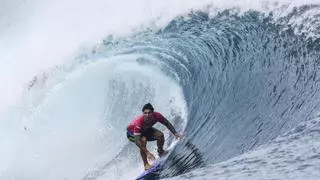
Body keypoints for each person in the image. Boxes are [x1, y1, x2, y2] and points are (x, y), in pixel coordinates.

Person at [126, 103, 184, 170]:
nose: (147, 115)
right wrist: (148, 153)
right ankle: (146, 164)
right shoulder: (138, 122)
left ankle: (160, 152)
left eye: (149, 113)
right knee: (143, 140)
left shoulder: (157, 116)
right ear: (143, 113)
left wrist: (176, 133)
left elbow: (167, 123)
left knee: (160, 135)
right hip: (131, 133)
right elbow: (137, 140)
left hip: (145, 130)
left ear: (152, 112)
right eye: (145, 113)